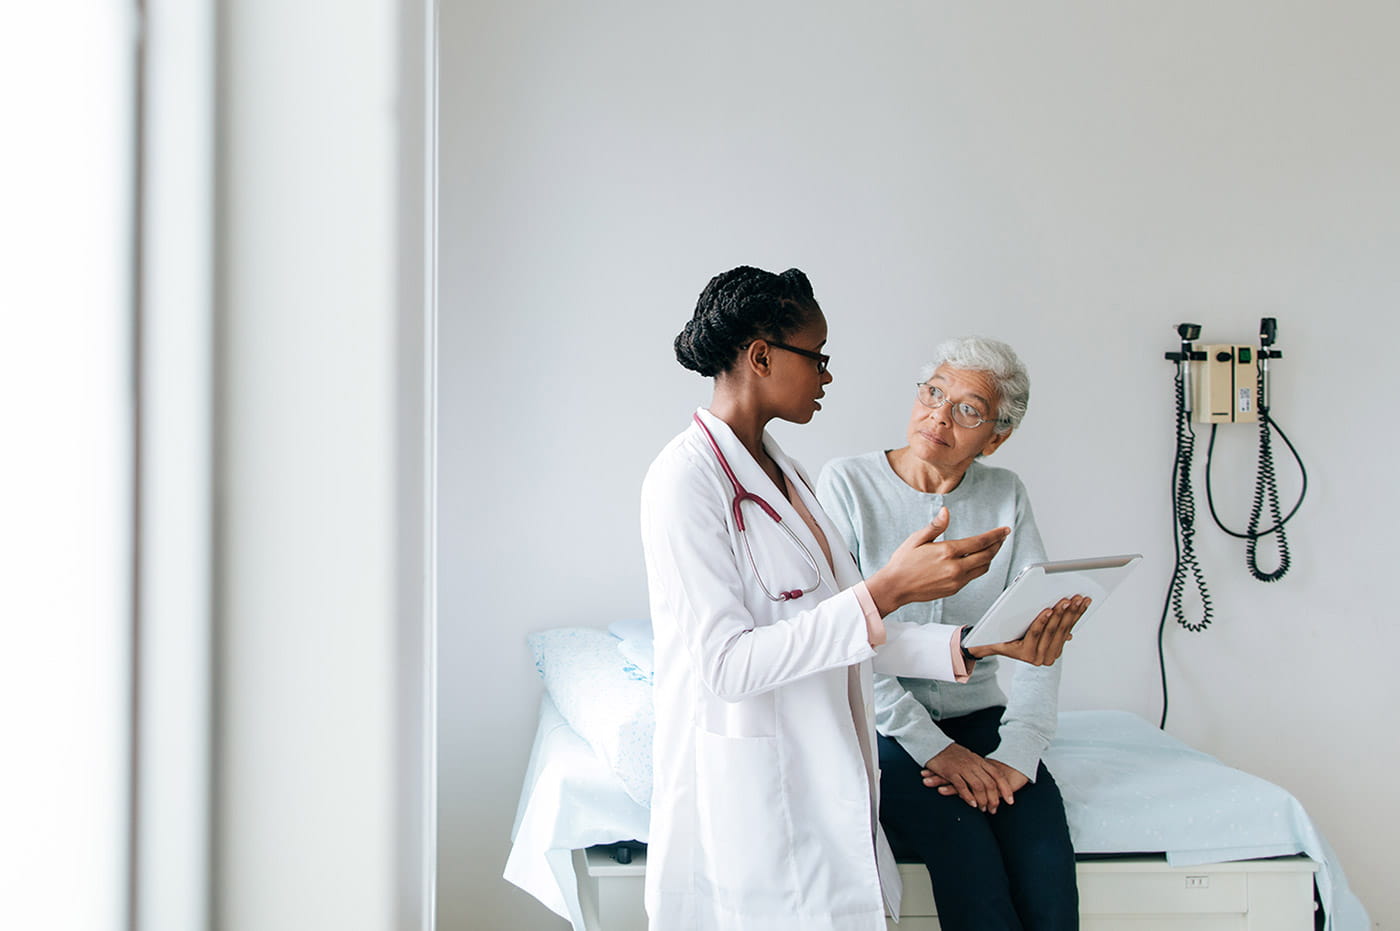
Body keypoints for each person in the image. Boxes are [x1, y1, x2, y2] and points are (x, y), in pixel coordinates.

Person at [639, 269, 1088, 931]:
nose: (826, 375)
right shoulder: (685, 480)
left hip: (827, 762)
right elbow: (727, 665)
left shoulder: (784, 472)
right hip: (756, 785)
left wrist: (977, 644)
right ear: (761, 356)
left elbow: (844, 629)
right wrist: (888, 589)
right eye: (816, 357)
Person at [816, 336, 1082, 931]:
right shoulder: (847, 485)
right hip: (882, 725)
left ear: (996, 436)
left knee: (1046, 871)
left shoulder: (1005, 492)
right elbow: (844, 640)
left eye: (967, 408)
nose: (939, 413)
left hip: (978, 713)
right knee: (971, 867)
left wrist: (1019, 752)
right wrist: (937, 749)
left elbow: (1043, 633)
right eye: (934, 392)